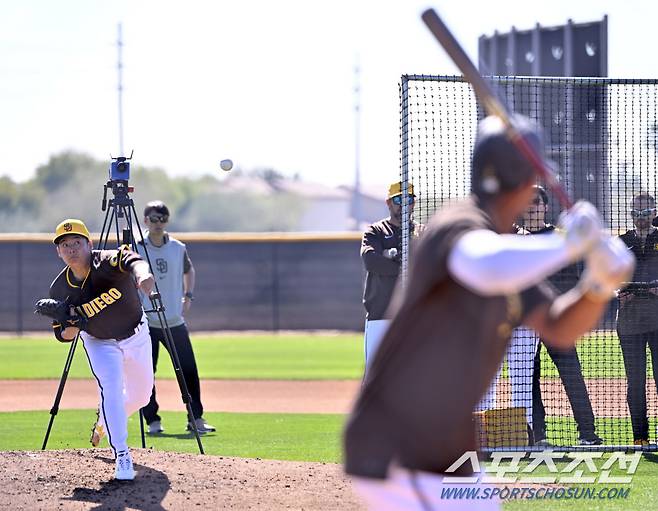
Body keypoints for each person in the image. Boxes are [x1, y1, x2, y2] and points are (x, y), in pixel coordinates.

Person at [343, 115, 634, 510]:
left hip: (449, 450)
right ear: (518, 181)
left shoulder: (504, 248)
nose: (535, 194)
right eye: (533, 183)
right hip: (400, 440)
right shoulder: (456, 224)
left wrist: (598, 286)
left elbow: (561, 327)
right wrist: (570, 243)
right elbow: (484, 264)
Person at [48, 219, 155, 481]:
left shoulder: (106, 262)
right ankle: (122, 454)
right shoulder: (60, 289)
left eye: (76, 242)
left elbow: (132, 260)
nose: (71, 248)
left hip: (135, 334)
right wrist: (74, 323)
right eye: (65, 245)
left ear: (89, 244)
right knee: (111, 387)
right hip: (99, 341)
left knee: (142, 396)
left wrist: (143, 275)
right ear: (58, 251)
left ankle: (105, 420)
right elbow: (63, 335)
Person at [521, 185, 602, 446]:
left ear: (545, 207)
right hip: (525, 324)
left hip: (556, 319)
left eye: (537, 202)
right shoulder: (513, 239)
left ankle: (588, 435)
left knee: (572, 376)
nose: (531, 206)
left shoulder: (560, 238)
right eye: (527, 202)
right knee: (528, 381)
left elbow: (573, 280)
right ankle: (538, 437)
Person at [137, 201, 216, 435]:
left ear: (167, 221)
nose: (158, 223)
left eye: (162, 218)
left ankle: (195, 418)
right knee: (146, 372)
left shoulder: (177, 247)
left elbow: (189, 270)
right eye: (153, 218)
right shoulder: (136, 247)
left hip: (173, 320)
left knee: (188, 370)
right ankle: (152, 420)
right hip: (147, 322)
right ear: (145, 220)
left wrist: (188, 295)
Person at [360, 182, 416, 376]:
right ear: (389, 203)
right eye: (399, 199)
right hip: (380, 316)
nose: (404, 204)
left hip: (413, 318)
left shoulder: (421, 232)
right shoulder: (376, 231)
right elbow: (371, 261)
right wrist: (406, 266)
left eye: (409, 199)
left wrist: (391, 257)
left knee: (412, 377)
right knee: (375, 378)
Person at [617, 192, 658, 446]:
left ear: (655, 212)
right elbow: (608, 278)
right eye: (636, 213)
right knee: (635, 382)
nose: (641, 218)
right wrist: (618, 291)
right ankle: (639, 437)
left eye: (646, 213)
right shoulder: (621, 242)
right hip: (630, 323)